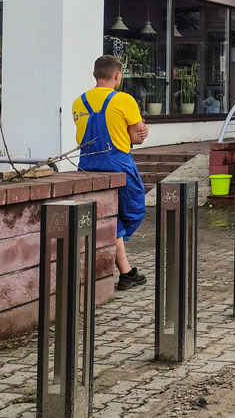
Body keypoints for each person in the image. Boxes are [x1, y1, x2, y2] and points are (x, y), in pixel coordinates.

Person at [72, 55, 149, 292]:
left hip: (86, 164)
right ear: (117, 75)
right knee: (135, 209)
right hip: (118, 162)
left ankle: (125, 267)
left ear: (95, 74)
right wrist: (141, 131)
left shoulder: (78, 102)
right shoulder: (124, 100)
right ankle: (113, 247)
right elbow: (137, 136)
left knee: (106, 215)